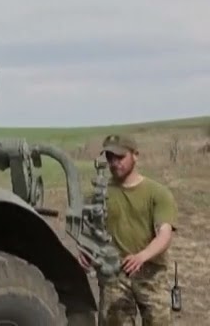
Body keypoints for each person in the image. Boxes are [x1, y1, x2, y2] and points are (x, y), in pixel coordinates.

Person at [87, 133, 177, 325]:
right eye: (110, 157)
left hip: (151, 274)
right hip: (115, 274)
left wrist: (142, 256)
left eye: (120, 157)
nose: (114, 163)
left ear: (135, 155)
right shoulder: (100, 194)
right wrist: (84, 250)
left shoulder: (157, 193)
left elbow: (164, 234)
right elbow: (88, 227)